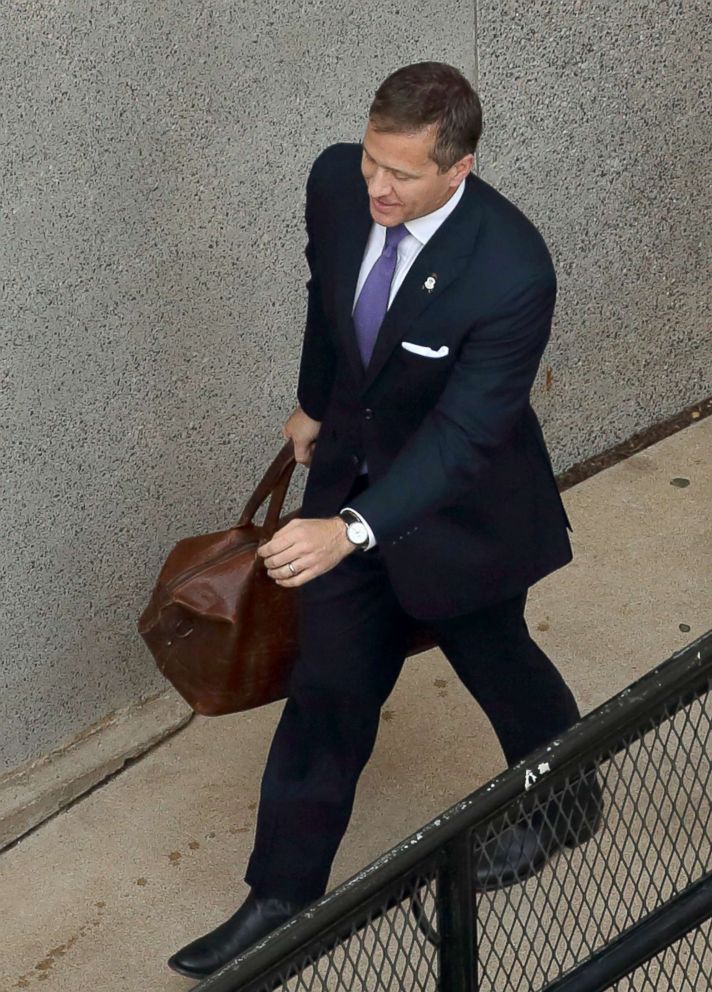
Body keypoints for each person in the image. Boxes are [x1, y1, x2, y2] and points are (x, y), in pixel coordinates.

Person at [169, 61, 601, 980]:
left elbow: (464, 437)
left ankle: (564, 799)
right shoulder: (337, 182)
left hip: (460, 511)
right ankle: (283, 896)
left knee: (498, 660)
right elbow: (331, 299)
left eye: (402, 174)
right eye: (373, 161)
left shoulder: (511, 269)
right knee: (328, 686)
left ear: (461, 168)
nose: (378, 187)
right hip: (351, 477)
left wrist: (350, 530)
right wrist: (312, 401)